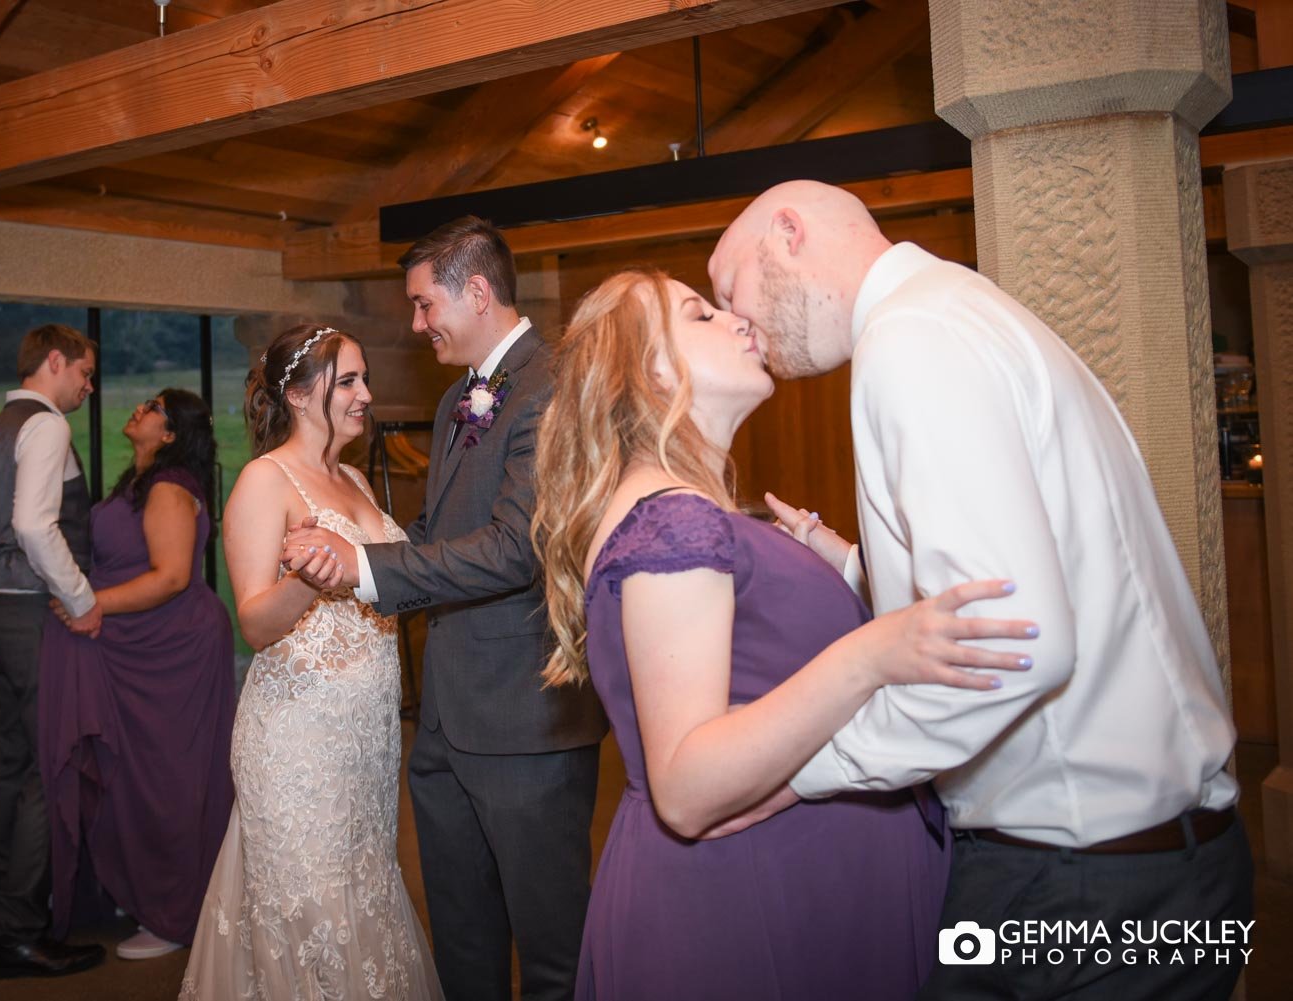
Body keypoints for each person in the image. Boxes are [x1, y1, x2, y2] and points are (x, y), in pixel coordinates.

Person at [708, 180, 1255, 999]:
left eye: (730, 288)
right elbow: (1031, 567)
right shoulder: (966, 309)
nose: (738, 321)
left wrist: (801, 771)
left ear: (789, 234)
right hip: (1175, 868)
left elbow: (1012, 647)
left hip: (1073, 890)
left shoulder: (911, 342)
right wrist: (850, 561)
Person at [530, 268, 1035, 1000]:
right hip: (756, 904)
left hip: (792, 882)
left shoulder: (689, 512)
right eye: (700, 316)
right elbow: (688, 783)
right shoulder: (673, 519)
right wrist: (870, 653)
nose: (739, 321)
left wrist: (839, 569)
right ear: (651, 369)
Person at [284, 217, 607, 1001]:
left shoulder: (553, 386)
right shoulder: (462, 397)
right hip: (446, 726)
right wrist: (353, 558)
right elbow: (438, 531)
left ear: (478, 290)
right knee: (464, 943)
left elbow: (513, 548)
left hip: (526, 720)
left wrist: (369, 566)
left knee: (553, 951)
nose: (418, 323)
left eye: (426, 305)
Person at [179, 325, 442, 1001]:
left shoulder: (352, 477)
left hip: (367, 744)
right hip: (298, 744)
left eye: (363, 379)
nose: (367, 395)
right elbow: (256, 622)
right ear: (298, 395)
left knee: (363, 895)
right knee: (314, 920)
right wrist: (310, 581)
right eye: (348, 381)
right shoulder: (265, 481)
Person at [38, 388, 236, 961]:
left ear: (170, 434)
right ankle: (147, 890)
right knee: (135, 775)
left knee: (168, 779)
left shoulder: (172, 488)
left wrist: (91, 605)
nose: (138, 409)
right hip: (138, 644)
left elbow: (172, 576)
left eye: (152, 408)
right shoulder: (141, 480)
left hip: (173, 645)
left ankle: (177, 913)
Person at [0, 322, 106, 979]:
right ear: (55, 360)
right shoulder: (47, 425)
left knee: (13, 753)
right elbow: (32, 524)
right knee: (45, 768)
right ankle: (19, 932)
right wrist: (82, 599)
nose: (88, 384)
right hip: (30, 609)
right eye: (84, 371)